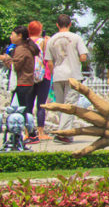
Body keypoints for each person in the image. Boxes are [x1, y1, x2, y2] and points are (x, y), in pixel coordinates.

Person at [45, 15, 89, 144]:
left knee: (60, 105)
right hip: (72, 75)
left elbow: (49, 62)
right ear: (70, 24)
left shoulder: (51, 40)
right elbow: (83, 57)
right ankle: (62, 134)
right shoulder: (76, 38)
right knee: (69, 106)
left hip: (58, 75)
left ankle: (65, 133)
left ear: (57, 25)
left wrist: (55, 73)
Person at [0, 26, 42, 144]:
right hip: (25, 83)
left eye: (12, 34)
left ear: (19, 36)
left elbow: (15, 66)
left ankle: (31, 134)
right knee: (22, 110)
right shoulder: (24, 47)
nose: (10, 36)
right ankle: (21, 134)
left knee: (21, 111)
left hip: (22, 83)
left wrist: (5, 58)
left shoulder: (21, 49)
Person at [27, 21, 51, 139]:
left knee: (28, 105)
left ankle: (28, 132)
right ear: (40, 30)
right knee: (41, 104)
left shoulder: (25, 42)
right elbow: (48, 57)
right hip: (43, 75)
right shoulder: (43, 42)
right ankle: (41, 132)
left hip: (29, 76)